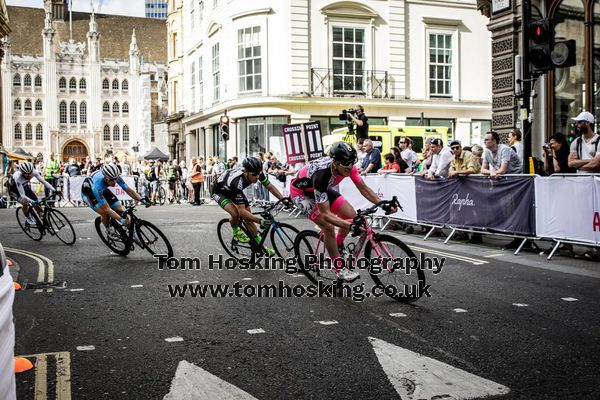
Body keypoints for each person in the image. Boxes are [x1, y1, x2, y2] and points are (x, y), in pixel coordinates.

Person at [290, 142, 396, 281]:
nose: (350, 167)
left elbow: (363, 189)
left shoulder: (347, 166)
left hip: (321, 189)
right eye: (346, 163)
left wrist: (382, 204)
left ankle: (338, 246)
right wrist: (348, 226)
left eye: (352, 162)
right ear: (335, 162)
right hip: (301, 194)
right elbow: (326, 214)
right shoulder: (321, 174)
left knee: (351, 215)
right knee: (328, 226)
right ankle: (339, 268)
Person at [212, 157, 292, 257]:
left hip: (233, 191)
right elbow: (241, 211)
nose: (257, 177)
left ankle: (260, 246)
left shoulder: (257, 172)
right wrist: (260, 221)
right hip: (219, 192)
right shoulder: (237, 182)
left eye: (259, 173)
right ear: (246, 172)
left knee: (248, 217)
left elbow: (270, 187)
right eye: (254, 175)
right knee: (236, 213)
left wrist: (283, 199)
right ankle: (236, 230)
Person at [81, 164, 146, 240]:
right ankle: (108, 230)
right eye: (112, 180)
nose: (115, 182)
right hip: (89, 194)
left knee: (119, 209)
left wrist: (141, 199)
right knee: (105, 213)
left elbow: (129, 190)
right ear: (105, 178)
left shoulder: (113, 175)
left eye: (116, 179)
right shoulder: (97, 186)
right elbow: (107, 209)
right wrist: (121, 220)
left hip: (103, 189)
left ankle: (133, 234)